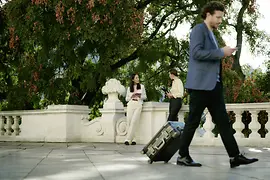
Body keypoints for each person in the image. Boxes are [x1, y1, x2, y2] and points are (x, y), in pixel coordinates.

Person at [176, 1, 258, 168]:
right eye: (218, 17)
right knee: (192, 121)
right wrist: (221, 52)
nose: (220, 20)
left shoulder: (211, 33)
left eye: (221, 17)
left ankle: (235, 156)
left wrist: (223, 52)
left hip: (213, 86)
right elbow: (196, 53)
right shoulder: (199, 30)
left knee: (223, 122)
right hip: (200, 87)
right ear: (208, 15)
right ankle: (182, 156)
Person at [125, 73, 147, 145]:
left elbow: (145, 97)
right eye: (136, 78)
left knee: (134, 121)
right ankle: (133, 139)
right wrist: (132, 96)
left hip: (138, 104)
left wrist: (139, 96)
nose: (138, 79)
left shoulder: (142, 87)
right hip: (131, 104)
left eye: (138, 77)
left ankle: (128, 139)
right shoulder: (129, 88)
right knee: (129, 121)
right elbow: (126, 98)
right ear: (133, 79)